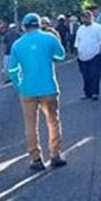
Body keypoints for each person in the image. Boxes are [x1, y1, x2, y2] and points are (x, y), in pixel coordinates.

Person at [8, 13, 67, 171]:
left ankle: (35, 158)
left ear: (24, 27)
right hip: (48, 87)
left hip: (27, 90)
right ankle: (55, 155)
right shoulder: (49, 38)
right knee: (53, 121)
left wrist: (18, 85)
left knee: (30, 125)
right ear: (39, 24)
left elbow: (12, 69)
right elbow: (61, 55)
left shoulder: (18, 44)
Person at [75, 11, 101, 101]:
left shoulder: (98, 28)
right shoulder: (80, 29)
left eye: (87, 17)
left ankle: (95, 93)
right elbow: (77, 42)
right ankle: (87, 92)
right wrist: (78, 52)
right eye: (83, 17)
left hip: (94, 55)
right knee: (85, 75)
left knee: (94, 75)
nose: (85, 19)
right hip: (82, 56)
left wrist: (100, 53)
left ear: (91, 17)